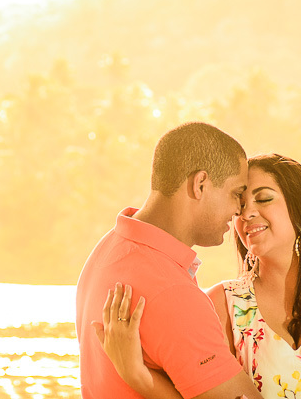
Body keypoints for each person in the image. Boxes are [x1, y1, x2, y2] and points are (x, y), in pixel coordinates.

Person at [98, 153, 301, 399]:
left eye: (263, 199)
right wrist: (137, 375)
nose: (247, 214)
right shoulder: (221, 304)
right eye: (240, 206)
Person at [76, 121, 263, 399]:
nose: (239, 210)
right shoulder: (172, 292)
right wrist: (144, 381)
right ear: (200, 184)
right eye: (237, 194)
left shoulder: (107, 249)